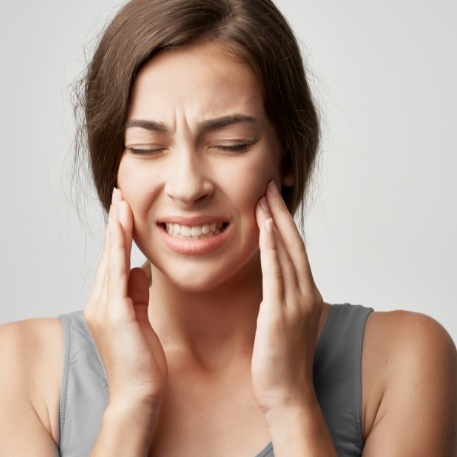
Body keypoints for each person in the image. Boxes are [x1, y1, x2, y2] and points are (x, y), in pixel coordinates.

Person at [0, 0, 456, 455]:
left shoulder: (404, 360)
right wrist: (130, 407)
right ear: (112, 167)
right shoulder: (21, 368)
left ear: (288, 158)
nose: (186, 186)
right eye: (145, 147)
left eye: (229, 144)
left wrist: (293, 404)